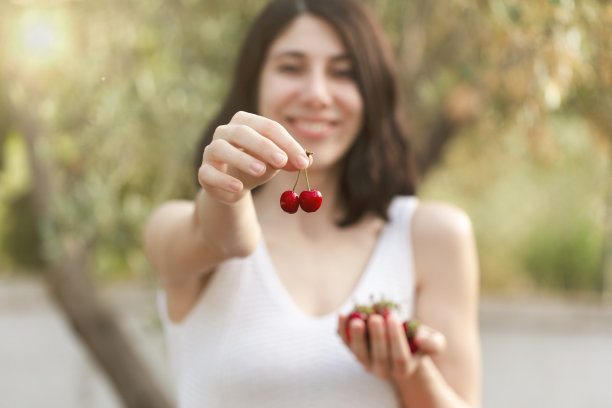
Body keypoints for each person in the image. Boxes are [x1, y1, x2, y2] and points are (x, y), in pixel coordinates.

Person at [143, 0, 481, 407]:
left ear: (372, 90)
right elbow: (225, 241)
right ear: (254, 83)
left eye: (344, 72)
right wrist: (228, 183)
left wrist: (408, 368)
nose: (317, 94)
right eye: (291, 67)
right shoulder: (175, 228)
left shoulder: (431, 236)